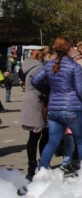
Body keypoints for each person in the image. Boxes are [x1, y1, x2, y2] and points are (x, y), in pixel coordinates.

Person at [32, 37, 82, 171]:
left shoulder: (49, 65)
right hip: (73, 108)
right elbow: (80, 89)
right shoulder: (74, 66)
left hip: (54, 108)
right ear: (70, 49)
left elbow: (35, 80)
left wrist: (48, 91)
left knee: (52, 142)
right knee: (81, 142)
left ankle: (41, 171)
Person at [19, 50, 47, 181]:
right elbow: (40, 84)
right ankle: (37, 166)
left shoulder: (30, 66)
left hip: (31, 103)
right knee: (39, 135)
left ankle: (33, 165)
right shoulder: (39, 68)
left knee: (34, 136)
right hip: (37, 103)